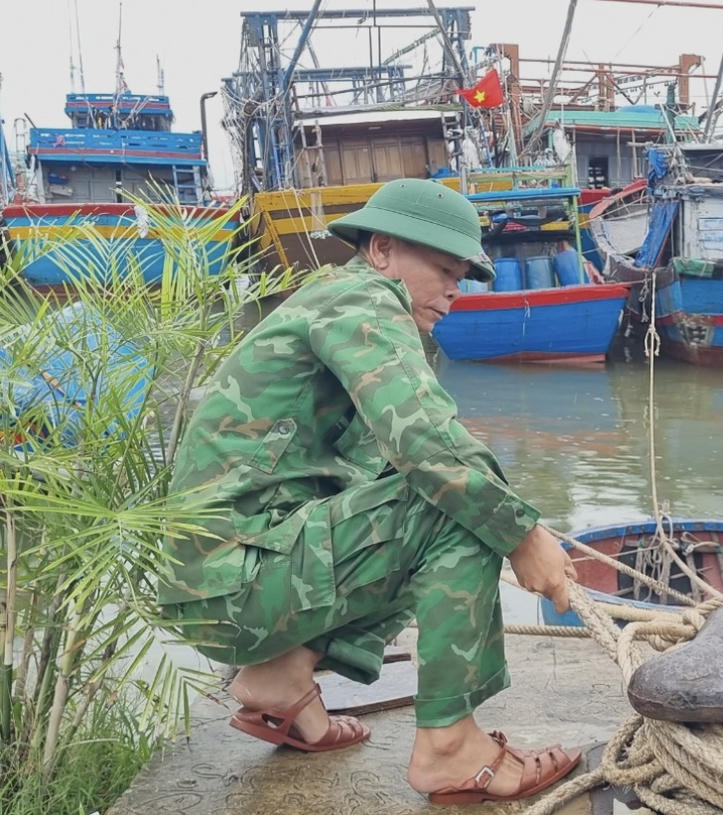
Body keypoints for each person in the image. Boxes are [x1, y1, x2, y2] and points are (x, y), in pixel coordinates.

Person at [156, 178, 582, 804]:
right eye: (443, 269)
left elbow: (390, 459)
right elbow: (430, 446)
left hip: (223, 583)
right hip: (236, 581)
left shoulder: (333, 301)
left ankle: (281, 678)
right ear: (381, 249)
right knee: (457, 504)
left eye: (462, 275)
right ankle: (450, 749)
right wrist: (523, 536)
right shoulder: (363, 297)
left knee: (423, 488)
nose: (454, 291)